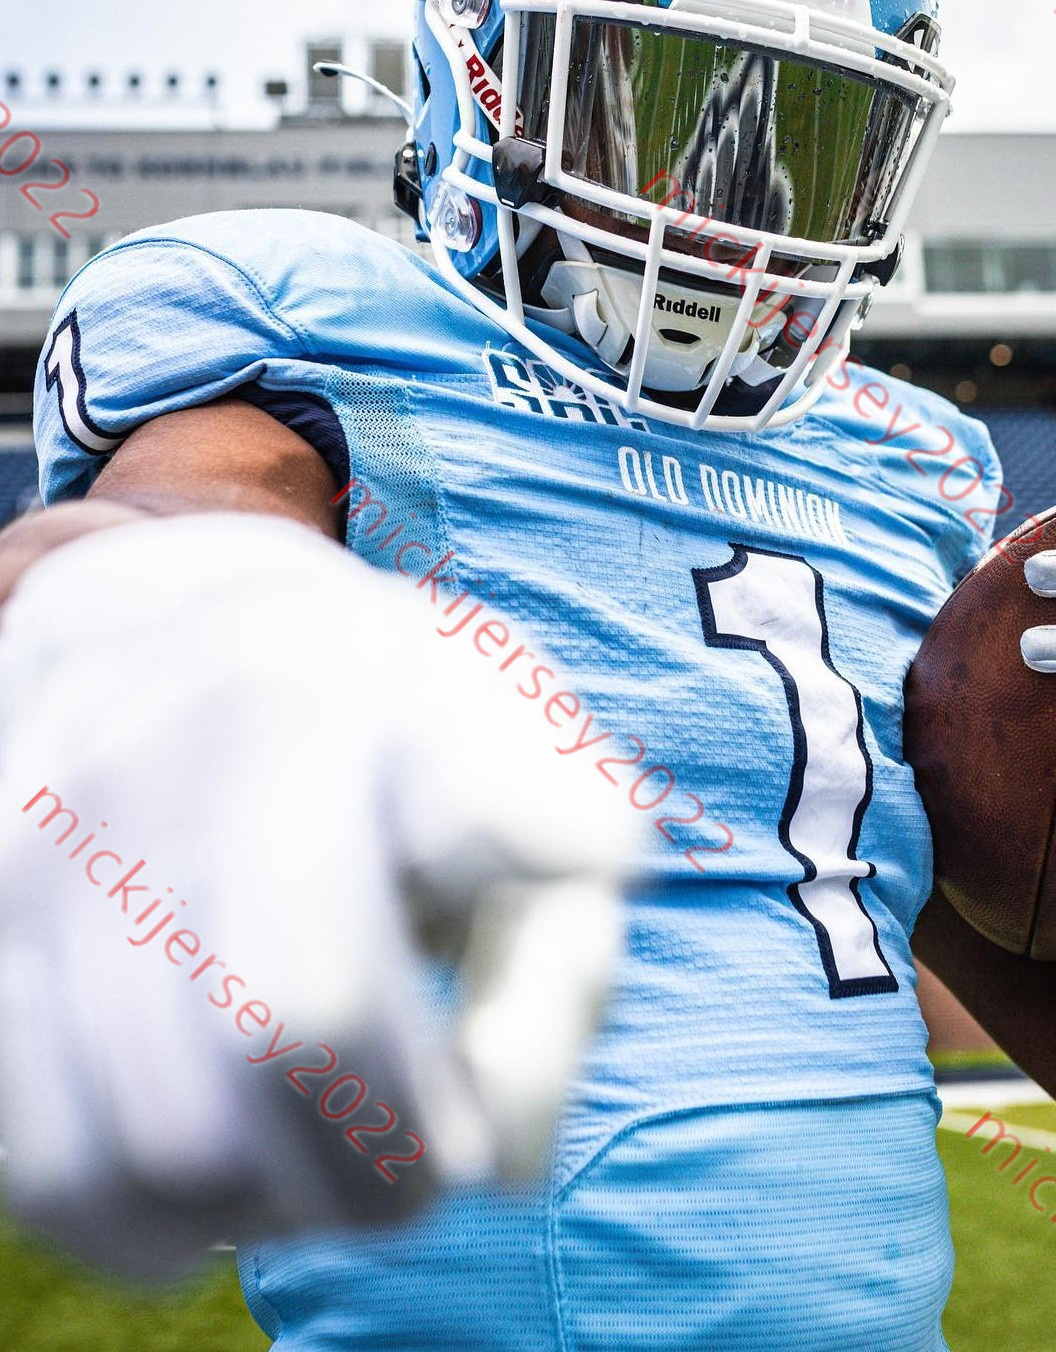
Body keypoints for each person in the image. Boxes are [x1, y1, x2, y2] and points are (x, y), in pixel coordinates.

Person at [4, 0, 1056, 1346]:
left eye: (804, 138)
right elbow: (183, 512)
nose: (734, 206)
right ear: (490, 86)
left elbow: (952, 890)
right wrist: (152, 601)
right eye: (665, 113)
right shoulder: (328, 324)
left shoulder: (914, 465)